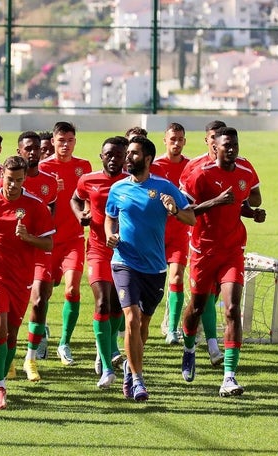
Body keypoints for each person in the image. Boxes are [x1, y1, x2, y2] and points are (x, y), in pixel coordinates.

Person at [105, 136, 195, 402]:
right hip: (124, 261)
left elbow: (191, 217)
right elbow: (110, 218)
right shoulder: (118, 189)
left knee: (142, 324)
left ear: (147, 159)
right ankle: (137, 379)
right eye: (127, 153)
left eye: (133, 153)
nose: (127, 157)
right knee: (130, 319)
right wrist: (111, 235)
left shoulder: (164, 187)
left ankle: (129, 365)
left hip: (154, 267)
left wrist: (174, 209)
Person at [179, 127, 265, 397]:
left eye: (235, 144)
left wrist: (253, 214)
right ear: (214, 147)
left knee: (231, 309)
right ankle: (190, 347)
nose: (232, 149)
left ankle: (229, 376)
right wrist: (215, 201)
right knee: (196, 307)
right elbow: (185, 212)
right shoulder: (200, 175)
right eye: (226, 145)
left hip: (232, 250)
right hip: (204, 250)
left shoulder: (245, 172)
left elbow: (239, 204)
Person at [0, 155, 55, 409]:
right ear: (1, 175)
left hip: (21, 278)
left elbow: (49, 242)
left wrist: (28, 237)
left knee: (12, 336)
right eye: (9, 179)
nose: (13, 185)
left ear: (25, 179)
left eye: (19, 180)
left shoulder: (36, 206)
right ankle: (0, 387)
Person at [71, 136, 129, 388]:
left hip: (126, 252)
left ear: (126, 157)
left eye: (119, 155)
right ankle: (107, 368)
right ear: (101, 156)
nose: (114, 159)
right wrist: (80, 214)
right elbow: (75, 198)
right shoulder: (88, 180)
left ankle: (105, 346)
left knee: (117, 307)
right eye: (109, 154)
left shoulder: (131, 183)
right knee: (103, 302)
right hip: (97, 250)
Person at [175, 119, 231, 366]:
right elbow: (183, 205)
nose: (215, 140)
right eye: (212, 136)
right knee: (206, 293)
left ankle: (196, 331)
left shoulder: (235, 165)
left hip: (228, 242)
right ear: (207, 139)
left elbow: (247, 196)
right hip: (200, 239)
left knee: (213, 293)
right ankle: (212, 344)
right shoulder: (194, 167)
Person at [39, 121, 92, 366]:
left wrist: (87, 212)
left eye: (70, 140)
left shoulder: (84, 167)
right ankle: (40, 333)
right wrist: (50, 192)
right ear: (53, 141)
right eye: (61, 140)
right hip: (49, 241)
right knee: (45, 292)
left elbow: (87, 198)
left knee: (72, 289)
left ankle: (64, 343)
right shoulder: (42, 168)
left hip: (73, 239)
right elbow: (34, 203)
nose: (66, 145)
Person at [15, 131, 58, 382]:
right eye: (27, 148)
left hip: (39, 249)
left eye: (36, 149)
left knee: (40, 298)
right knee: (12, 309)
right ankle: (7, 354)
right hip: (12, 254)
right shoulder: (6, 180)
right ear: (19, 150)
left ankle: (30, 357)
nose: (32, 153)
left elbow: (49, 220)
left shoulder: (49, 183)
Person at [150, 123, 193, 347]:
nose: (176, 143)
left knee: (176, 277)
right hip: (154, 234)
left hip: (179, 234)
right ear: (164, 140)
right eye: (172, 139)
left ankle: (173, 329)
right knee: (150, 284)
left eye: (180, 139)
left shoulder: (191, 166)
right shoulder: (154, 166)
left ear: (185, 141)